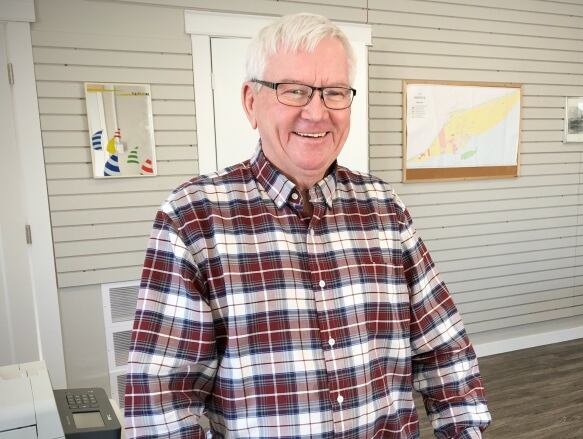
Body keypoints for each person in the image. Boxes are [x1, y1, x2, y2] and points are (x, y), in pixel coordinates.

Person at [124, 12, 490, 439]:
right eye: (293, 91)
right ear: (250, 101)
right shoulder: (194, 218)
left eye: (334, 92)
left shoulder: (385, 209)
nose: (316, 113)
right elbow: (162, 403)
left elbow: (444, 349)